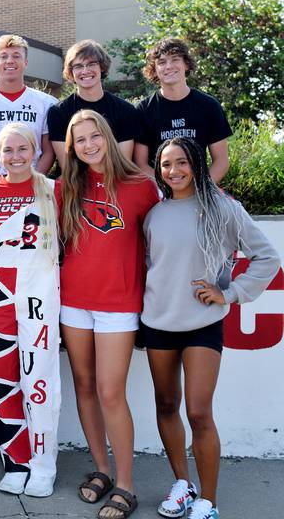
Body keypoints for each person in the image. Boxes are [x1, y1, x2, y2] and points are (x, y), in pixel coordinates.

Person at [142, 137, 279, 519]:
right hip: (158, 324)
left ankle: (208, 501)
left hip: (202, 325)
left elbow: (267, 256)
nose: (174, 171)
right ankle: (182, 485)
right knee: (166, 404)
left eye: (181, 162)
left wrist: (230, 293)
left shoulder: (223, 209)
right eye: (166, 164)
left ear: (197, 164)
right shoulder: (155, 214)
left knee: (199, 412)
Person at [57, 110, 159, 519]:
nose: (88, 144)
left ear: (107, 136)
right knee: (83, 385)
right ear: (72, 148)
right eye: (79, 140)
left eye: (93, 135)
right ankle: (100, 468)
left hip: (119, 304)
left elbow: (165, 236)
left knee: (110, 392)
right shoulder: (67, 186)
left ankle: (126, 483)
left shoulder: (141, 186)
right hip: (74, 301)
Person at [0, 123, 61, 497]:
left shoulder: (53, 189)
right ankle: (14, 460)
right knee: (1, 379)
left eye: (22, 148)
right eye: (8, 150)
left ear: (35, 151)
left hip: (39, 291)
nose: (16, 157)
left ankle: (43, 463)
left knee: (40, 379)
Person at [133, 38, 231, 183]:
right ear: (154, 69)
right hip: (160, 193)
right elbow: (141, 164)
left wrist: (202, 191)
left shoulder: (209, 105)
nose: (168, 66)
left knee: (234, 206)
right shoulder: (144, 109)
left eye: (175, 59)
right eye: (161, 62)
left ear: (186, 64)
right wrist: (170, 191)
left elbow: (221, 161)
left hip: (202, 190)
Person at [0, 34, 57, 181]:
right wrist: (0, 181)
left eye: (16, 56)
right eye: (3, 56)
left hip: (36, 182)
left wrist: (35, 180)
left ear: (26, 62)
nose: (10, 61)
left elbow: (49, 151)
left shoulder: (47, 103)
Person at [48, 39, 136, 168]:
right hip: (77, 183)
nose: (85, 71)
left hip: (115, 181)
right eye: (78, 66)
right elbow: (67, 166)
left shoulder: (125, 110)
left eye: (91, 64)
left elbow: (123, 163)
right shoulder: (58, 113)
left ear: (102, 67)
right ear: (71, 72)